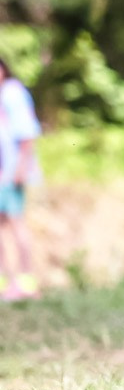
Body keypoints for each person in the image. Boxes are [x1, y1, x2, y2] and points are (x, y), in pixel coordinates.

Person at [0, 55, 43, 301]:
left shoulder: (12, 93)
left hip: (11, 173)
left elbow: (27, 134)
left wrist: (20, 169)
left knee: (16, 225)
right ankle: (6, 282)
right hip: (2, 173)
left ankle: (26, 282)